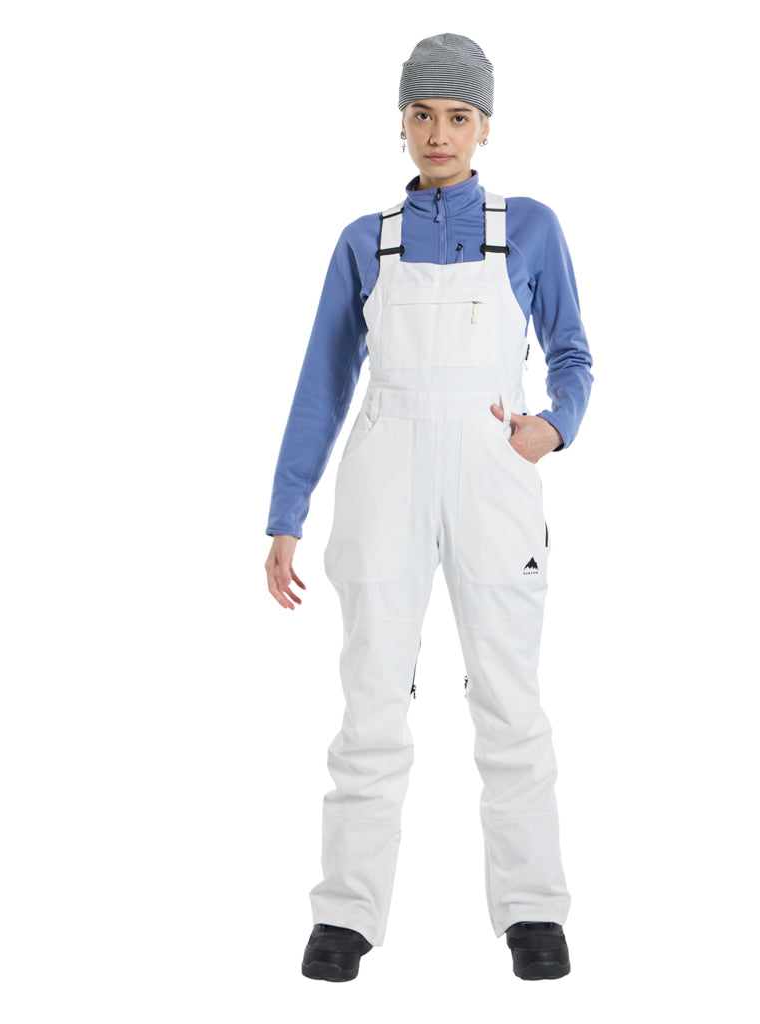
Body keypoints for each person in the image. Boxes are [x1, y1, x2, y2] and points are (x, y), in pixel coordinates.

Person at [264, 33, 593, 981]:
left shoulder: (529, 229)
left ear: (485, 126)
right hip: (385, 475)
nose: (438, 133)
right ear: (400, 123)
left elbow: (573, 352)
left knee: (508, 696)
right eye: (421, 115)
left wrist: (554, 427)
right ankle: (347, 913)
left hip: (494, 475)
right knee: (372, 697)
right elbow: (323, 383)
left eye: (457, 116)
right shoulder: (363, 241)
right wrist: (286, 512)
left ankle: (533, 910)